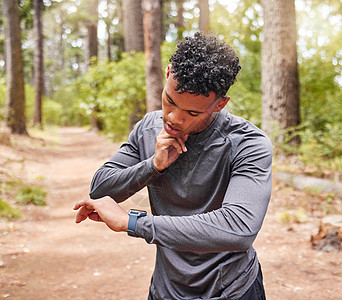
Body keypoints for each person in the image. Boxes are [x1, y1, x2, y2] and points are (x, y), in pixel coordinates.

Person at [74, 32, 272, 300]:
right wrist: (152, 166)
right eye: (170, 101)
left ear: (220, 104)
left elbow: (238, 229)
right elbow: (100, 191)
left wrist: (133, 222)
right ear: (168, 73)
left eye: (192, 113)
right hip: (166, 291)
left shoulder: (247, 143)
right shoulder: (148, 128)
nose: (173, 118)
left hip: (232, 291)